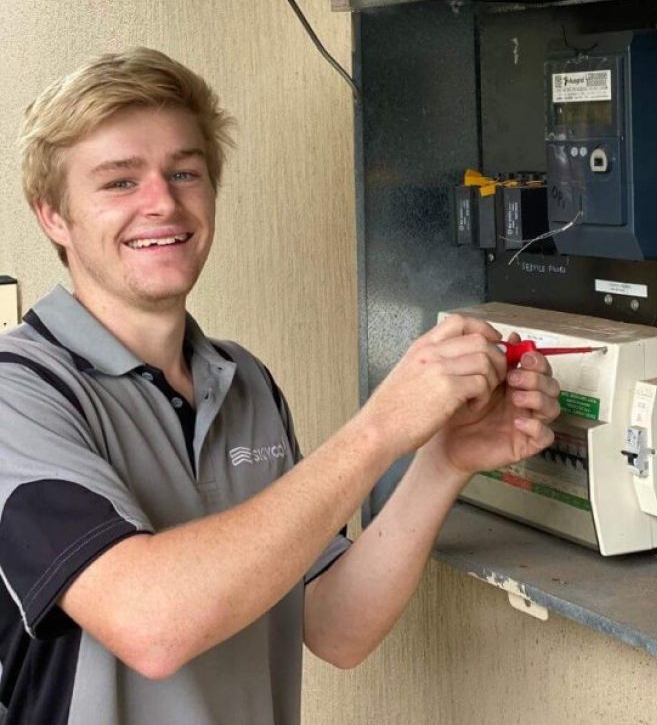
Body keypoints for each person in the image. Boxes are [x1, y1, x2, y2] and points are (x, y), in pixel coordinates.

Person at [0, 48, 560, 725]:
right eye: (119, 182)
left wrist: (443, 460)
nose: (163, 203)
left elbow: (336, 628)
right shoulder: (21, 394)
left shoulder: (242, 382)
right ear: (53, 216)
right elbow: (151, 625)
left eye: (185, 172)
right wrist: (378, 429)